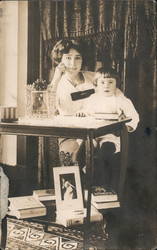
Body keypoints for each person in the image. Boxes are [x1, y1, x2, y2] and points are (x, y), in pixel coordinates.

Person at [49, 40, 123, 171]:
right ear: (60, 60)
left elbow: (115, 91)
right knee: (73, 157)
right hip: (70, 132)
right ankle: (74, 188)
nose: (73, 63)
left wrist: (121, 108)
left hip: (97, 129)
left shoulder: (92, 77)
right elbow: (47, 109)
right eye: (68, 58)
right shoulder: (57, 83)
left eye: (78, 58)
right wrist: (56, 77)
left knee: (106, 150)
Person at [80, 66, 140, 189]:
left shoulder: (121, 100)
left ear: (116, 84)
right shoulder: (92, 99)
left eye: (110, 82)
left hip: (111, 135)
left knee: (107, 148)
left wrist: (126, 127)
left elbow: (134, 117)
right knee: (85, 147)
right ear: (96, 84)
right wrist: (81, 113)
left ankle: (102, 180)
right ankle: (81, 174)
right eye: (102, 82)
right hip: (93, 134)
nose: (106, 86)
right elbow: (85, 112)